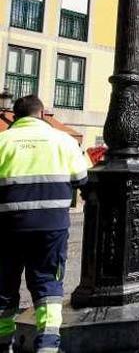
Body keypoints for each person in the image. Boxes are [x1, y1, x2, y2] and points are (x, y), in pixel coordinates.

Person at [0, 96, 88, 353]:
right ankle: (48, 344)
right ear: (41, 114)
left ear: (15, 117)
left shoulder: (2, 141)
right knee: (48, 282)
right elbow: (82, 179)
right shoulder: (64, 141)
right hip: (51, 226)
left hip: (7, 225)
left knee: (4, 284)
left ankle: (4, 342)